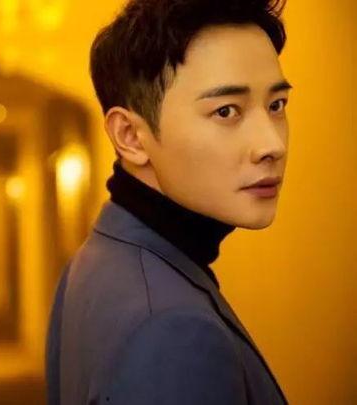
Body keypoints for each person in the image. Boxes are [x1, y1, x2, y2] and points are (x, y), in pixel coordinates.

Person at [46, 0, 292, 403]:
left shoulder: (95, 257)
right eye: (226, 111)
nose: (272, 144)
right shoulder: (170, 328)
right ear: (130, 136)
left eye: (276, 105)